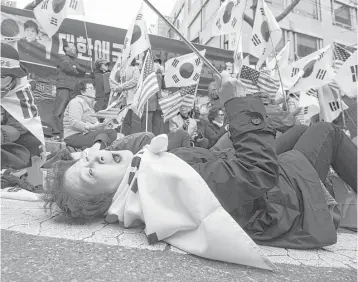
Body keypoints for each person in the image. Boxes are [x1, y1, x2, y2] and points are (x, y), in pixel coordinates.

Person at [44, 71, 357, 250]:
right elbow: (257, 173)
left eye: (85, 157)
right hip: (292, 206)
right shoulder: (167, 182)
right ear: (108, 204)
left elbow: (216, 165)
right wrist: (237, 103)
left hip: (270, 196)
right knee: (326, 131)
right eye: (90, 174)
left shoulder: (151, 174)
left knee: (301, 129)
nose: (94, 156)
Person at [62, 80, 117, 149]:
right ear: (82, 92)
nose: (94, 90)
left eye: (94, 88)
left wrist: (103, 125)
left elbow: (95, 123)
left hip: (83, 134)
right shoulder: (76, 102)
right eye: (90, 88)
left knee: (114, 135)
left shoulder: (88, 105)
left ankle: (95, 154)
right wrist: (92, 127)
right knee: (110, 133)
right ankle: (93, 155)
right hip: (73, 136)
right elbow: (74, 122)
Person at [52, 39, 87, 139]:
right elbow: (69, 69)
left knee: (71, 111)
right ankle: (57, 134)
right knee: (60, 110)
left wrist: (75, 66)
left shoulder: (75, 61)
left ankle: (67, 134)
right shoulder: (62, 57)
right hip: (64, 87)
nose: (75, 48)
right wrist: (75, 68)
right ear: (66, 48)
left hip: (73, 89)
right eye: (72, 46)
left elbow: (83, 72)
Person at [113, 59, 141, 135]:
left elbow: (135, 80)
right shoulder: (121, 69)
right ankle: (125, 137)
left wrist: (122, 86)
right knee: (125, 119)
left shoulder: (135, 68)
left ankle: (135, 138)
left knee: (135, 120)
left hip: (133, 98)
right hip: (124, 98)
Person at [141, 58, 166, 135]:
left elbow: (163, 87)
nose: (157, 64)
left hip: (153, 104)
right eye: (155, 62)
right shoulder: (149, 75)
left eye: (158, 62)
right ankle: (147, 140)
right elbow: (158, 90)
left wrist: (163, 75)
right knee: (147, 125)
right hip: (150, 103)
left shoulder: (159, 75)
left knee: (153, 125)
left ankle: (150, 140)